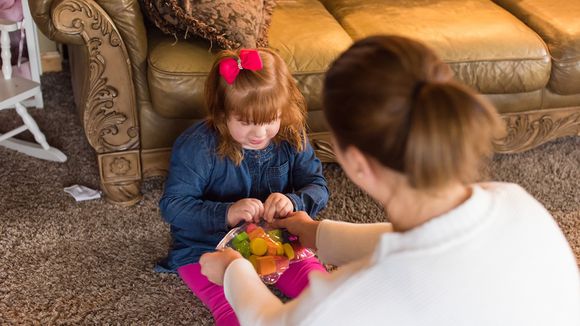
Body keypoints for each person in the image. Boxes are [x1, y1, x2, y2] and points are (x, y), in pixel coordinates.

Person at [198, 35, 580, 325]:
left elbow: (270, 320)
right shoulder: (515, 199)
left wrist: (234, 272)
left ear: (356, 163)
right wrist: (314, 232)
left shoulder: (349, 301)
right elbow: (420, 239)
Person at [158, 48, 329, 326]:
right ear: (222, 114)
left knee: (325, 294)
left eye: (270, 119)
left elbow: (317, 186)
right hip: (207, 247)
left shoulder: (291, 135)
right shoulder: (197, 146)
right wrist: (226, 213)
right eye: (246, 122)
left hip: (278, 238)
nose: (259, 133)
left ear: (283, 109)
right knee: (237, 314)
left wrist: (294, 202)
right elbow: (173, 206)